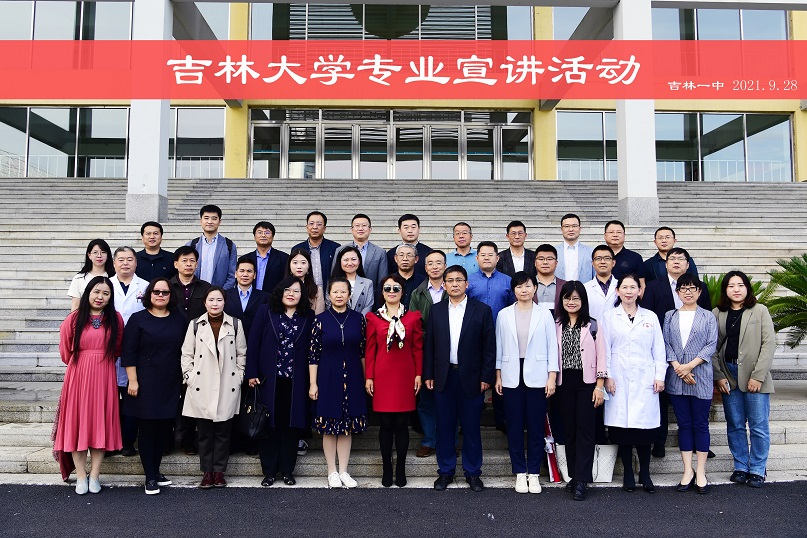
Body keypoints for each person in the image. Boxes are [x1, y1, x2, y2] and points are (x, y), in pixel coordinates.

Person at [423, 265, 495, 492]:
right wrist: (429, 374)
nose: (455, 284)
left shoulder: (481, 310)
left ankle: (473, 473)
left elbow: (489, 347)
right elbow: (429, 345)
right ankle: (445, 471)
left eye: (459, 280)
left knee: (472, 428)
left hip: (472, 378)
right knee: (444, 427)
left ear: (467, 284)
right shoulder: (436, 310)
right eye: (450, 280)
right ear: (444, 285)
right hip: (443, 377)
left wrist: (486, 376)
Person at [53, 276, 124, 495]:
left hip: (104, 376)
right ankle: (81, 476)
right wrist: (84, 363)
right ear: (88, 293)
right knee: (77, 425)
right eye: (96, 292)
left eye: (106, 293)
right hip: (78, 375)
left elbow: (118, 348)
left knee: (99, 423)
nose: (100, 297)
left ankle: (95, 475)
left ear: (110, 297)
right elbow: (65, 351)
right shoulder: (74, 318)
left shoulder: (115, 319)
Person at [640, 247, 711, 458]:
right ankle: (659, 442)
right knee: (662, 400)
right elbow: (648, 317)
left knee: (696, 416)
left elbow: (707, 325)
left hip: (696, 362)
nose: (677, 261)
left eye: (681, 258)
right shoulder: (654, 287)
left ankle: (700, 445)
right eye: (673, 258)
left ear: (688, 264)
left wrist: (690, 365)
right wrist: (675, 363)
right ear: (666, 263)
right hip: (664, 353)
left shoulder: (701, 288)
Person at [246, 276, 315, 487]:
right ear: (280, 291)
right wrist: (251, 372)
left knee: (290, 427)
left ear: (302, 295)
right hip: (269, 380)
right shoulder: (266, 311)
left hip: (296, 381)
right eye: (287, 290)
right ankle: (269, 472)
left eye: (296, 291)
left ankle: (287, 471)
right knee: (269, 425)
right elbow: (254, 342)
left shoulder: (308, 316)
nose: (291, 294)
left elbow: (312, 349)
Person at [601, 273, 666, 493]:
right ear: (617, 291)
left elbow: (659, 349)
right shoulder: (609, 317)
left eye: (633, 287)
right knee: (623, 430)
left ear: (640, 291)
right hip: (618, 378)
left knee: (644, 430)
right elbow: (604, 349)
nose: (629, 291)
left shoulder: (650, 317)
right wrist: (607, 376)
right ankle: (628, 473)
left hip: (645, 378)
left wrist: (659, 376)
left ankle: (645, 474)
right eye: (625, 287)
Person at [495, 271, 558, 494]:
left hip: (538, 375)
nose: (524, 290)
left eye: (528, 285)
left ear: (535, 288)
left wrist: (552, 377)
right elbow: (499, 346)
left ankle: (534, 473)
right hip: (511, 374)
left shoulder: (544, 314)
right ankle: (520, 473)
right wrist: (498, 375)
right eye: (519, 286)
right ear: (514, 290)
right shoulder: (503, 314)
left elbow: (552, 346)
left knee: (535, 426)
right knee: (514, 426)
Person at [121, 278, 186, 495]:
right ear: (149, 294)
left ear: (171, 296)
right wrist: (133, 381)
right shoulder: (138, 319)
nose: (160, 295)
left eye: (165, 292)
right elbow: (128, 352)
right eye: (156, 292)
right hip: (145, 382)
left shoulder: (179, 319)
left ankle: (156, 471)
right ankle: (149, 476)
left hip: (170, 381)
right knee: (148, 430)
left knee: (164, 429)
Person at [712, 270, 776, 489]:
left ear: (747, 288)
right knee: (735, 424)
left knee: (758, 425)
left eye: (740, 285)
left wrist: (758, 376)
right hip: (728, 374)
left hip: (754, 374)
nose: (736, 289)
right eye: (731, 286)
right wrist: (719, 376)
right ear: (725, 290)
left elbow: (769, 345)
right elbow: (712, 347)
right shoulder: (718, 313)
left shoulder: (760, 310)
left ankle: (758, 468)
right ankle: (740, 466)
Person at [180, 287, 247, 489]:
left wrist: (239, 376)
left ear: (224, 302)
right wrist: (189, 377)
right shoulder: (195, 324)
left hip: (227, 384)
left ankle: (219, 472)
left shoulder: (235, 324)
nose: (215, 303)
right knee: (205, 432)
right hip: (202, 384)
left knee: (223, 432)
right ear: (205, 302)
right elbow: (186, 353)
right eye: (211, 300)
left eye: (219, 300)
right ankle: (207, 472)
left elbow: (242, 353)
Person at [308, 278, 368, 489]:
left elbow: (362, 351)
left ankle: (343, 470)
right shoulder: (320, 320)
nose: (339, 295)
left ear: (349, 295)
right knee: (329, 425)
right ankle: (331, 471)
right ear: (329, 295)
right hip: (327, 377)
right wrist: (313, 383)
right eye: (335, 292)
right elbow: (313, 354)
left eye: (343, 291)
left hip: (353, 377)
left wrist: (366, 379)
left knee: (346, 426)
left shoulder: (358, 319)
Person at [365, 274, 423, 487]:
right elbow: (370, 350)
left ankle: (401, 468)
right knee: (385, 425)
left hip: (405, 376)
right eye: (387, 288)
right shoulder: (374, 318)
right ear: (382, 292)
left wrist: (418, 374)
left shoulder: (413, 317)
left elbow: (417, 348)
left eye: (396, 288)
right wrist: (369, 377)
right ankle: (387, 468)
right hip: (382, 376)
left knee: (401, 425)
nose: (391, 292)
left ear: (402, 292)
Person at [662, 274, 718, 495]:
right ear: (677, 292)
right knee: (684, 424)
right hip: (676, 377)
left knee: (701, 424)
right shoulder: (669, 316)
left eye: (692, 288)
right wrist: (679, 367)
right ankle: (687, 470)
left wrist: (689, 367)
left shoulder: (708, 316)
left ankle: (701, 471)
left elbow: (711, 345)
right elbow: (666, 343)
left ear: (699, 292)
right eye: (683, 288)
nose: (687, 292)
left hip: (700, 375)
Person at [554, 281, 607, 501]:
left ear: (583, 301)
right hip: (563, 383)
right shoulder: (556, 324)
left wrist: (599, 386)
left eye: (576, 298)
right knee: (569, 431)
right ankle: (574, 476)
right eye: (567, 298)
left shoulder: (593, 325)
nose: (571, 302)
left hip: (587, 383)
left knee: (585, 431)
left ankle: (582, 479)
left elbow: (602, 356)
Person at [468, 241, 514, 434]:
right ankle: (471, 420)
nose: (487, 258)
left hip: (502, 337)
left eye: (490, 254)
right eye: (483, 255)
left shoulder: (507, 281)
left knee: (500, 377)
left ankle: (502, 420)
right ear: (477, 258)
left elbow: (513, 308)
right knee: (474, 377)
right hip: (474, 338)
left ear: (497, 258)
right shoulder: (468, 281)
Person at [109, 246, 149, 457]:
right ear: (114, 263)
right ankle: (108, 442)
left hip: (136, 350)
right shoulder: (105, 285)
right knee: (109, 399)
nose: (125, 263)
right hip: (108, 349)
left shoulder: (146, 286)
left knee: (131, 397)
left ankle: (127, 441)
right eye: (121, 259)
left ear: (136, 262)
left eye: (130, 259)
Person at [409, 249, 448, 458]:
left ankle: (447, 440)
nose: (434, 267)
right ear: (425, 268)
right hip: (425, 352)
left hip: (451, 352)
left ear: (445, 266)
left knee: (449, 398)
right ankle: (429, 439)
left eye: (438, 263)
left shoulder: (453, 288)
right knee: (426, 400)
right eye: (430, 263)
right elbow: (414, 325)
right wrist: (431, 337)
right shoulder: (418, 293)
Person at [186, 204, 237, 290]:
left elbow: (232, 275)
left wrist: (222, 293)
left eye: (214, 218)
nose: (210, 222)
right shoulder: (191, 245)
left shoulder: (229, 245)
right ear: (201, 221)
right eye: (206, 218)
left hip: (220, 294)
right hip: (194, 293)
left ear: (219, 221)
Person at [292, 211, 341, 291]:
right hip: (304, 292)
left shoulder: (335, 248)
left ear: (324, 228)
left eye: (319, 224)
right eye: (311, 223)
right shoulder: (297, 249)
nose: (315, 227)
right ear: (307, 227)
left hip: (329, 293)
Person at [224, 257, 270, 338]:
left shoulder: (265, 297)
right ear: (235, 274)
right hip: (230, 340)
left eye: (249, 271)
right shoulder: (225, 295)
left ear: (254, 275)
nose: (245, 274)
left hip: (255, 339)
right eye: (242, 271)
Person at [340, 213, 388, 289]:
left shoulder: (380, 252)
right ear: (351, 230)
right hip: (344, 293)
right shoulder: (340, 250)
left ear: (370, 229)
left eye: (364, 225)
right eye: (357, 226)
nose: (360, 229)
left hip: (370, 293)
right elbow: (335, 275)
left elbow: (382, 280)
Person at [68, 239, 114, 311]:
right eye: (95, 252)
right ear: (89, 255)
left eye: (103, 252)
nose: (99, 256)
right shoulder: (79, 278)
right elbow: (75, 306)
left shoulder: (114, 277)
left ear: (108, 255)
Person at [170, 246, 212, 324]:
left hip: (199, 328)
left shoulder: (206, 287)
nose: (188, 264)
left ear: (196, 264)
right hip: (172, 328)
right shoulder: (168, 287)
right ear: (176, 264)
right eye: (184, 261)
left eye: (192, 261)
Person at [244, 221, 288, 293]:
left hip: (274, 298)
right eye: (260, 232)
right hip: (250, 298)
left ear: (273, 236)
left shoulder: (283, 258)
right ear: (254, 236)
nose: (263, 235)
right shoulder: (245, 259)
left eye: (267, 232)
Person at [331, 246, 375, 315]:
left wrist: (358, 320)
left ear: (359, 261)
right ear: (340, 262)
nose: (350, 263)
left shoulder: (368, 283)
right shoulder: (332, 283)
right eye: (346, 260)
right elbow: (329, 306)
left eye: (353, 259)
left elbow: (368, 307)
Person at [385, 214, 432, 278]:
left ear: (419, 229)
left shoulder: (429, 253)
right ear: (399, 231)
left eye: (413, 227)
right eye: (406, 227)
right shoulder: (391, 254)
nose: (410, 231)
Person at [604, 220, 646, 288]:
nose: (615, 235)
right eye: (611, 232)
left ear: (624, 235)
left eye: (619, 232)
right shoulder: (598, 257)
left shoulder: (635, 257)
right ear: (605, 236)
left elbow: (641, 284)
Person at [555, 214, 594, 283]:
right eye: (567, 226)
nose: (571, 229)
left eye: (574, 226)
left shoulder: (591, 252)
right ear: (561, 229)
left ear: (580, 229)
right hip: (559, 289)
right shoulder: (554, 252)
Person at [584, 245, 618, 322]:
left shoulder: (622, 287)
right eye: (598, 258)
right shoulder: (585, 288)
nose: (602, 262)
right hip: (593, 328)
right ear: (593, 263)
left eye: (607, 258)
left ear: (613, 263)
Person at [287, 248, 325, 315]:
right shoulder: (282, 288)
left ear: (308, 266)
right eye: (295, 263)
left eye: (303, 263)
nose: (299, 267)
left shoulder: (317, 290)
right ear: (289, 265)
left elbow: (319, 316)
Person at [390, 243, 426, 308]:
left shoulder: (424, 282)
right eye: (401, 255)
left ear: (416, 259)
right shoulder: (388, 281)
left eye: (409, 255)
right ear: (395, 258)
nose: (405, 259)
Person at [533, 244, 566, 313]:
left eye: (550, 259)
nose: (545, 262)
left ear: (556, 263)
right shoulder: (526, 286)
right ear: (535, 263)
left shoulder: (565, 286)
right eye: (541, 259)